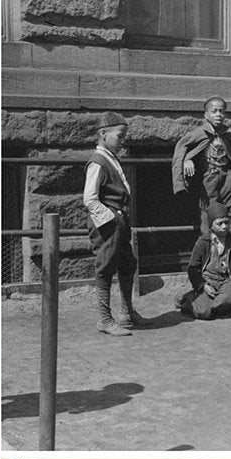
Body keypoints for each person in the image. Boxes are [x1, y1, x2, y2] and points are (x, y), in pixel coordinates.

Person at [172, 97, 231, 285]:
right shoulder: (198, 133)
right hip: (209, 184)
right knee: (208, 226)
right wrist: (187, 161)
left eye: (222, 111)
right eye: (215, 111)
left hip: (230, 182)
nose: (219, 115)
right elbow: (181, 149)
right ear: (206, 114)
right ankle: (207, 270)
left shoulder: (230, 134)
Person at [83, 111, 146, 336]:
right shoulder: (98, 161)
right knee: (106, 266)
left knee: (127, 263)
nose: (123, 141)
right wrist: (110, 218)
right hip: (107, 224)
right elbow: (89, 197)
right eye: (119, 136)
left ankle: (127, 312)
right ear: (103, 134)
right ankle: (104, 318)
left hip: (119, 221)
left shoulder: (111, 157)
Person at [186, 201, 231, 320]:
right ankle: (189, 302)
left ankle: (212, 306)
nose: (224, 226)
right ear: (211, 225)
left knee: (227, 299)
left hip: (224, 280)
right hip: (207, 280)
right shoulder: (203, 242)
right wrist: (203, 286)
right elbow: (192, 269)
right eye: (219, 223)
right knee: (203, 313)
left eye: (227, 222)